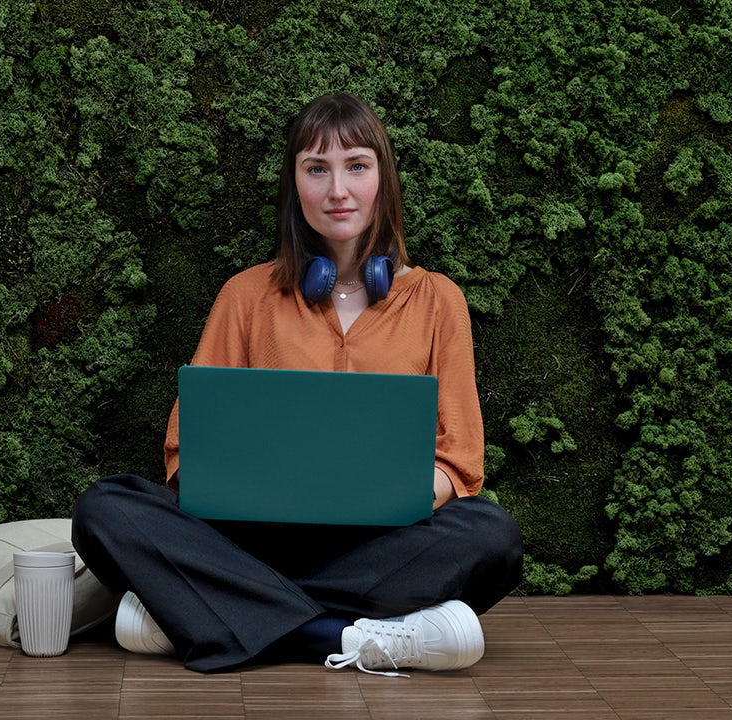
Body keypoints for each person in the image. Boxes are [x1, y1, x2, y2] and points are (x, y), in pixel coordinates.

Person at [71, 93, 523, 676]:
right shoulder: (245, 295)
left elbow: (459, 463)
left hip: (381, 545)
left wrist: (382, 495)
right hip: (253, 539)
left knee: (492, 534)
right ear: (295, 186)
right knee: (105, 508)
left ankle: (197, 612)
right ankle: (344, 636)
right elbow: (188, 458)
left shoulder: (439, 300)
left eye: (356, 166)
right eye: (317, 169)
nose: (338, 190)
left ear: (383, 179)